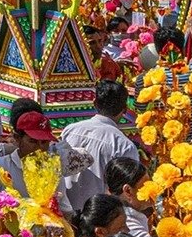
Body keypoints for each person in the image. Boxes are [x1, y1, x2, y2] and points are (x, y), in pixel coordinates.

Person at [56, 81, 137, 212]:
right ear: (125, 110)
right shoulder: (124, 145)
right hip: (100, 218)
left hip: (65, 211)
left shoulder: (69, 130)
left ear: (94, 103)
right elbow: (127, 193)